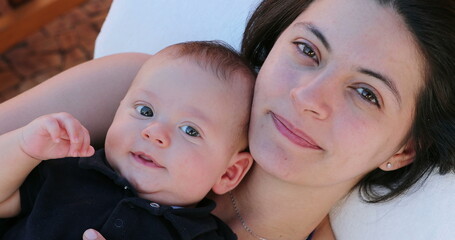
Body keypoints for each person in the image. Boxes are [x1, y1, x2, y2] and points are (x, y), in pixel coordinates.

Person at [0, 0, 454, 239]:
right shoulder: (147, 89)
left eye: (365, 93)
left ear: (404, 149)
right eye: (307, 50)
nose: (308, 96)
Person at [0, 41, 255, 239]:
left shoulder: (203, 236)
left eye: (190, 130)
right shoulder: (68, 171)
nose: (154, 132)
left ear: (228, 173)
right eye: (145, 111)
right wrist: (23, 148)